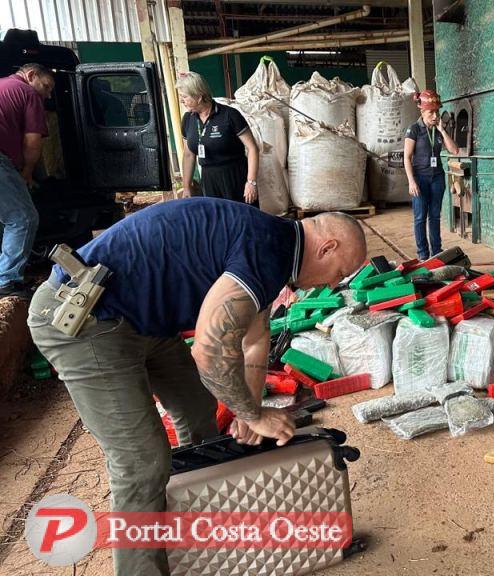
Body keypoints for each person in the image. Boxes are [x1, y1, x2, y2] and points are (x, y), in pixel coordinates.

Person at [28, 198, 367, 575]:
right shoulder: (268, 249)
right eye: (340, 272)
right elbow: (209, 350)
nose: (335, 283)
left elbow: (254, 342)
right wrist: (253, 414)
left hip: (139, 320)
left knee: (197, 411)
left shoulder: (275, 245)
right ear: (327, 248)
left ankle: (196, 536)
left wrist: (247, 412)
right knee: (141, 463)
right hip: (85, 320)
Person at [0, 63, 54, 298]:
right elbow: (33, 141)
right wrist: (27, 172)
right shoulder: (28, 92)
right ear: (31, 76)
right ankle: (6, 281)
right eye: (47, 86)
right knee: (23, 218)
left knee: (5, 219)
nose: (48, 94)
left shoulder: (2, 86)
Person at [177, 72, 260, 203]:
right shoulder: (188, 119)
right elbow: (188, 154)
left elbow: (252, 148)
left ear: (199, 97)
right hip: (209, 180)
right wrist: (186, 186)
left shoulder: (229, 115)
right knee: (217, 220)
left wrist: (251, 182)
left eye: (184, 97)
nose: (181, 101)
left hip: (235, 177)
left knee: (241, 220)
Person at [403, 89, 458, 260]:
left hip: (437, 178)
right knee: (420, 217)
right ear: (422, 111)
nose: (435, 116)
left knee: (434, 216)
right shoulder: (414, 129)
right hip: (420, 179)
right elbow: (407, 156)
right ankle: (423, 255)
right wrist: (411, 181)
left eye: (437, 112)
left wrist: (442, 130)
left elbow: (454, 150)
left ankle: (436, 252)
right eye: (430, 112)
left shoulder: (438, 129)